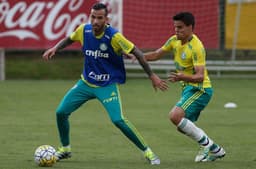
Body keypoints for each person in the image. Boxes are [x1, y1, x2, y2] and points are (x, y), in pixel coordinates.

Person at [42, 2, 168, 165]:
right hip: (85, 83)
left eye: (99, 18)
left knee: (118, 120)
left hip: (106, 85)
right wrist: (55, 48)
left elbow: (136, 52)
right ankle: (65, 149)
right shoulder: (84, 30)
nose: (95, 21)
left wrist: (152, 76)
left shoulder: (114, 36)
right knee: (61, 112)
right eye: (93, 17)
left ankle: (148, 152)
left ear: (107, 19)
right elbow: (69, 39)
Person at [143, 12, 226, 162]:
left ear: (190, 27)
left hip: (200, 89)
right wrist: (136, 55)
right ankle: (215, 150)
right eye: (175, 27)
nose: (176, 30)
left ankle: (207, 146)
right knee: (182, 126)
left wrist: (182, 77)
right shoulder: (174, 40)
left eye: (180, 27)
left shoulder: (196, 47)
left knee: (175, 116)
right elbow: (156, 54)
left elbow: (200, 76)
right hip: (188, 89)